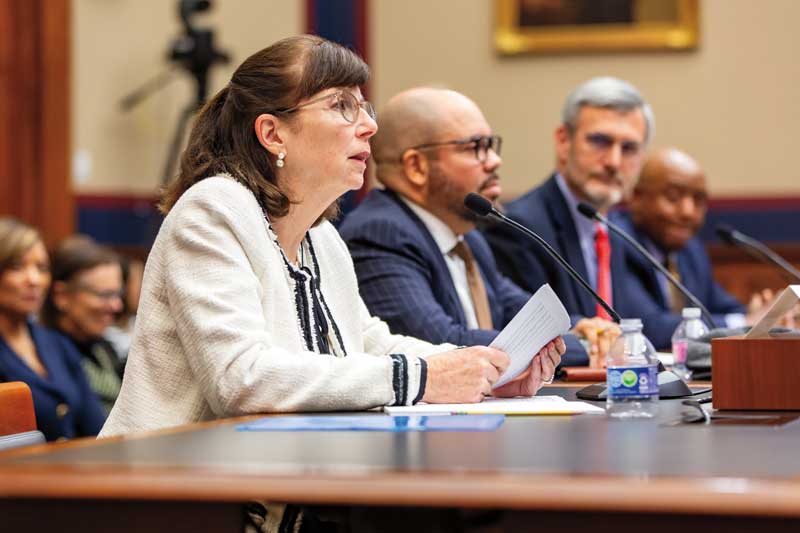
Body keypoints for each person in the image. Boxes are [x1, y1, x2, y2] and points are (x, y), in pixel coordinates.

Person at [98, 36, 563, 532]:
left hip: (280, 493)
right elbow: (243, 378)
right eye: (342, 106)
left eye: (364, 105)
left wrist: (482, 372)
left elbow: (366, 341)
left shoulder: (321, 235)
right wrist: (426, 378)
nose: (370, 125)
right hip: (172, 501)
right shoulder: (212, 212)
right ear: (273, 134)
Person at [340, 87, 606, 366]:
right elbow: (443, 341)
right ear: (417, 167)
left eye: (491, 146)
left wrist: (583, 328)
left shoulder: (467, 237)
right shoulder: (380, 233)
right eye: (475, 147)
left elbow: (525, 316)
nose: (494, 160)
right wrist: (589, 348)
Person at [483, 76, 651, 363]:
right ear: (563, 141)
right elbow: (532, 337)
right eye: (600, 141)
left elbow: (640, 320)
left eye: (629, 148)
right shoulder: (523, 228)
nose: (613, 161)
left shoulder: (614, 227)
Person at [618, 147, 774, 349]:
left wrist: (757, 313)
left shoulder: (690, 249)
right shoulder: (618, 243)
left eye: (698, 200)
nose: (688, 212)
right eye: (673, 197)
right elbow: (649, 327)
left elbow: (720, 305)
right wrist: (744, 323)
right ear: (637, 198)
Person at [0, 218, 105, 441]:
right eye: (17, 267)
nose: (34, 280)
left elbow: (96, 428)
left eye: (42, 268)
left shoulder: (58, 344)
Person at [41, 236, 125, 414]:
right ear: (62, 296)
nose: (117, 306)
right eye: (104, 295)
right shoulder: (44, 358)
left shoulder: (105, 349)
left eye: (118, 294)